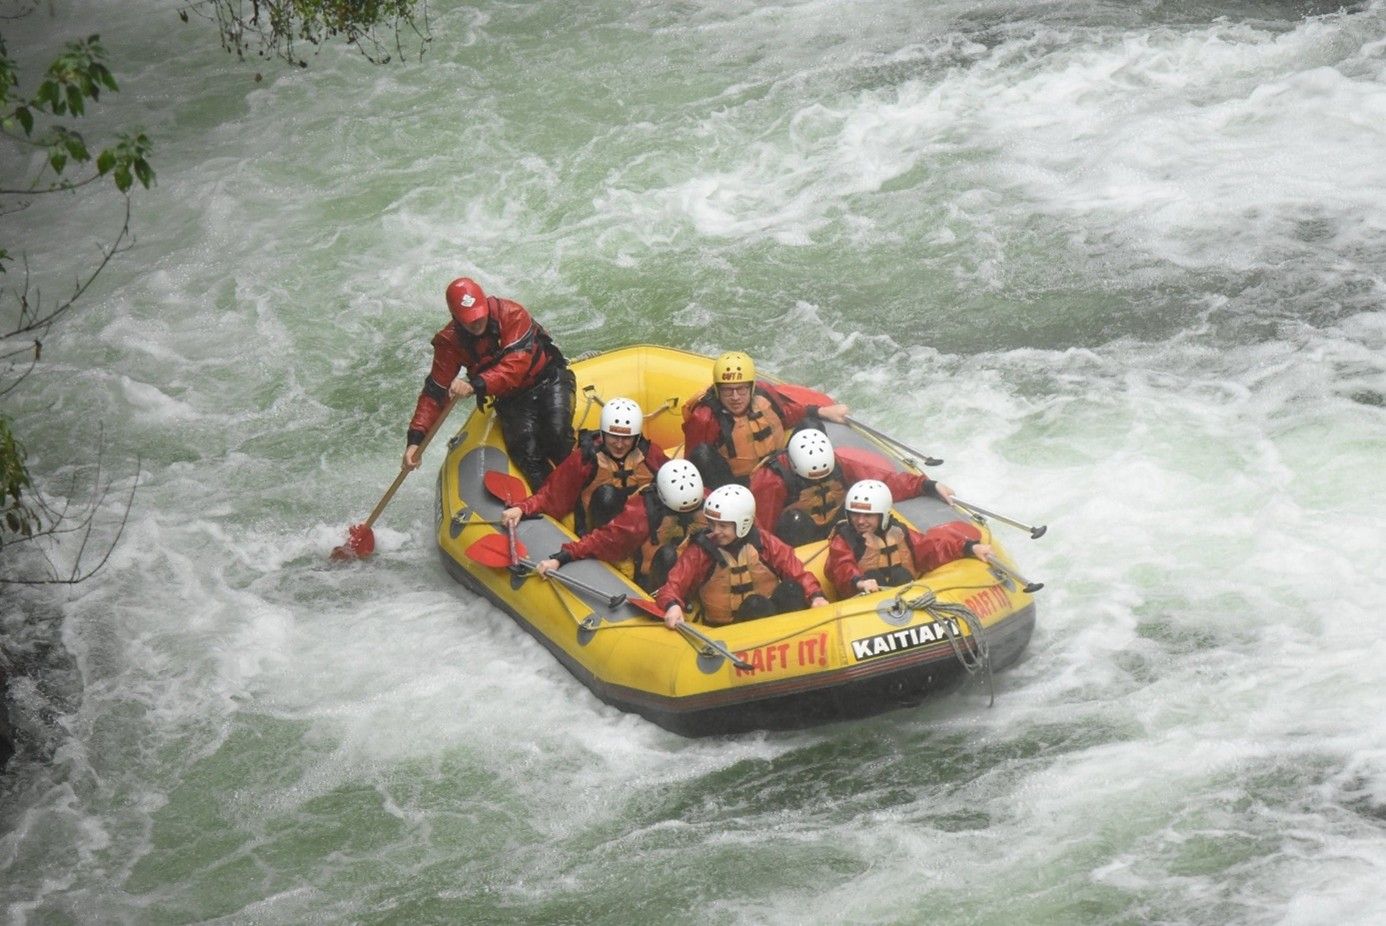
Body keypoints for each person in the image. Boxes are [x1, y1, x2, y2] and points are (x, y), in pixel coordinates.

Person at [404, 277, 575, 490]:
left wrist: (474, 384)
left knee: (557, 434)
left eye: (479, 315)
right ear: (456, 318)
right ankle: (551, 502)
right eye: (469, 319)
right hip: (511, 397)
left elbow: (516, 366)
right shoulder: (449, 342)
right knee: (526, 452)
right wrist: (415, 439)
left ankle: (578, 488)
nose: (476, 322)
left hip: (548, 379)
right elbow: (434, 392)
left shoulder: (512, 313)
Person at [655, 483, 830, 629]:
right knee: (755, 605)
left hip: (769, 618)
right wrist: (672, 605)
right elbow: (672, 586)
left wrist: (816, 595)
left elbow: (796, 571)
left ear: (743, 523)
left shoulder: (764, 542)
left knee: (791, 589)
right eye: (712, 524)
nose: (716, 531)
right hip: (727, 630)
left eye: (723, 526)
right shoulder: (700, 551)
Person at [751, 428, 956, 545]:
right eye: (813, 478)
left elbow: (879, 482)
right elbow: (761, 529)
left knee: (859, 504)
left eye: (823, 477)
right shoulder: (772, 480)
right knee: (794, 521)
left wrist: (926, 485)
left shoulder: (836, 465)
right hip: (797, 539)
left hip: (836, 529)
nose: (819, 481)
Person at [500, 397, 668, 536]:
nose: (619, 444)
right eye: (613, 436)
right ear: (603, 434)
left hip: (641, 527)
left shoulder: (650, 454)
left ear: (637, 438)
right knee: (606, 496)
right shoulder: (586, 459)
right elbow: (551, 495)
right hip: (599, 527)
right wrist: (523, 508)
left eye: (626, 438)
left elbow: (675, 482)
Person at [681, 351, 849, 489]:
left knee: (812, 427)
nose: (735, 397)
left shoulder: (764, 394)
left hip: (781, 469)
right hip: (738, 486)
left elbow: (787, 414)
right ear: (717, 390)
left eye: (741, 389)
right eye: (727, 391)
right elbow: (694, 465)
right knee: (702, 453)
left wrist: (819, 411)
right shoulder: (705, 418)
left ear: (751, 387)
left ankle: (819, 489)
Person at [533, 458, 707, 592]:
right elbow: (602, 539)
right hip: (654, 577)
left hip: (696, 575)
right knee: (668, 556)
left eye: (693, 508)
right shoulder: (641, 514)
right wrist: (561, 558)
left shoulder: (710, 505)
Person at [825, 480, 992, 596]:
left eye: (868, 515)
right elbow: (842, 567)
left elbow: (931, 549)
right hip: (866, 602)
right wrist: (859, 582)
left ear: (882, 514)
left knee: (900, 575)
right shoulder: (843, 540)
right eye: (855, 514)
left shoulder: (900, 532)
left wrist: (969, 547)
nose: (860, 521)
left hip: (906, 597)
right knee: (875, 577)